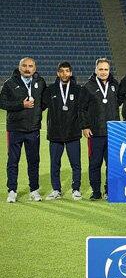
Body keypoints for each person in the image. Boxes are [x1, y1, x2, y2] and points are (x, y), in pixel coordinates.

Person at [1, 57, 46, 203]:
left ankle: (34, 190)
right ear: (19, 67)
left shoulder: (40, 82)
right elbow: (2, 103)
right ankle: (12, 190)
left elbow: (44, 101)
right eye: (24, 66)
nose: (27, 69)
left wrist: (36, 112)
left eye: (30, 66)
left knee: (34, 161)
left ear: (35, 68)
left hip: (33, 129)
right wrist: (21, 105)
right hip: (15, 129)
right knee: (13, 161)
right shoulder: (10, 83)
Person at [80, 58, 120, 200]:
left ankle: (109, 190)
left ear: (109, 70)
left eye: (106, 69)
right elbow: (82, 109)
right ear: (96, 70)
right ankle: (96, 191)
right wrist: (85, 126)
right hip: (95, 133)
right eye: (101, 69)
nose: (103, 72)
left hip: (112, 132)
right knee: (95, 164)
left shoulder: (115, 85)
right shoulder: (88, 87)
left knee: (112, 164)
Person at [42, 62, 83, 200]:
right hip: (55, 133)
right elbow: (40, 106)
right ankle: (56, 190)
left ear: (71, 73)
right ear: (57, 73)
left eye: (67, 71)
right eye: (62, 71)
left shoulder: (78, 90)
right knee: (55, 164)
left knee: (76, 164)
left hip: (73, 133)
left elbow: (84, 109)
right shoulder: (50, 90)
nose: (64, 74)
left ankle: (76, 189)